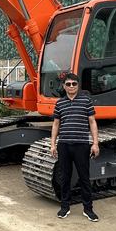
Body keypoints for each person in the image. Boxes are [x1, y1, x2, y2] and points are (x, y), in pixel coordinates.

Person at [49, 73, 100, 221]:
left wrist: (95, 143)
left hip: (81, 145)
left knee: (84, 178)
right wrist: (53, 144)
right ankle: (65, 207)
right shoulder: (60, 103)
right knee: (65, 177)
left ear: (78, 86)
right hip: (64, 145)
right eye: (68, 84)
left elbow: (92, 122)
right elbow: (56, 124)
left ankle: (88, 209)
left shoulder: (86, 101)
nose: (71, 86)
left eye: (74, 84)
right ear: (64, 86)